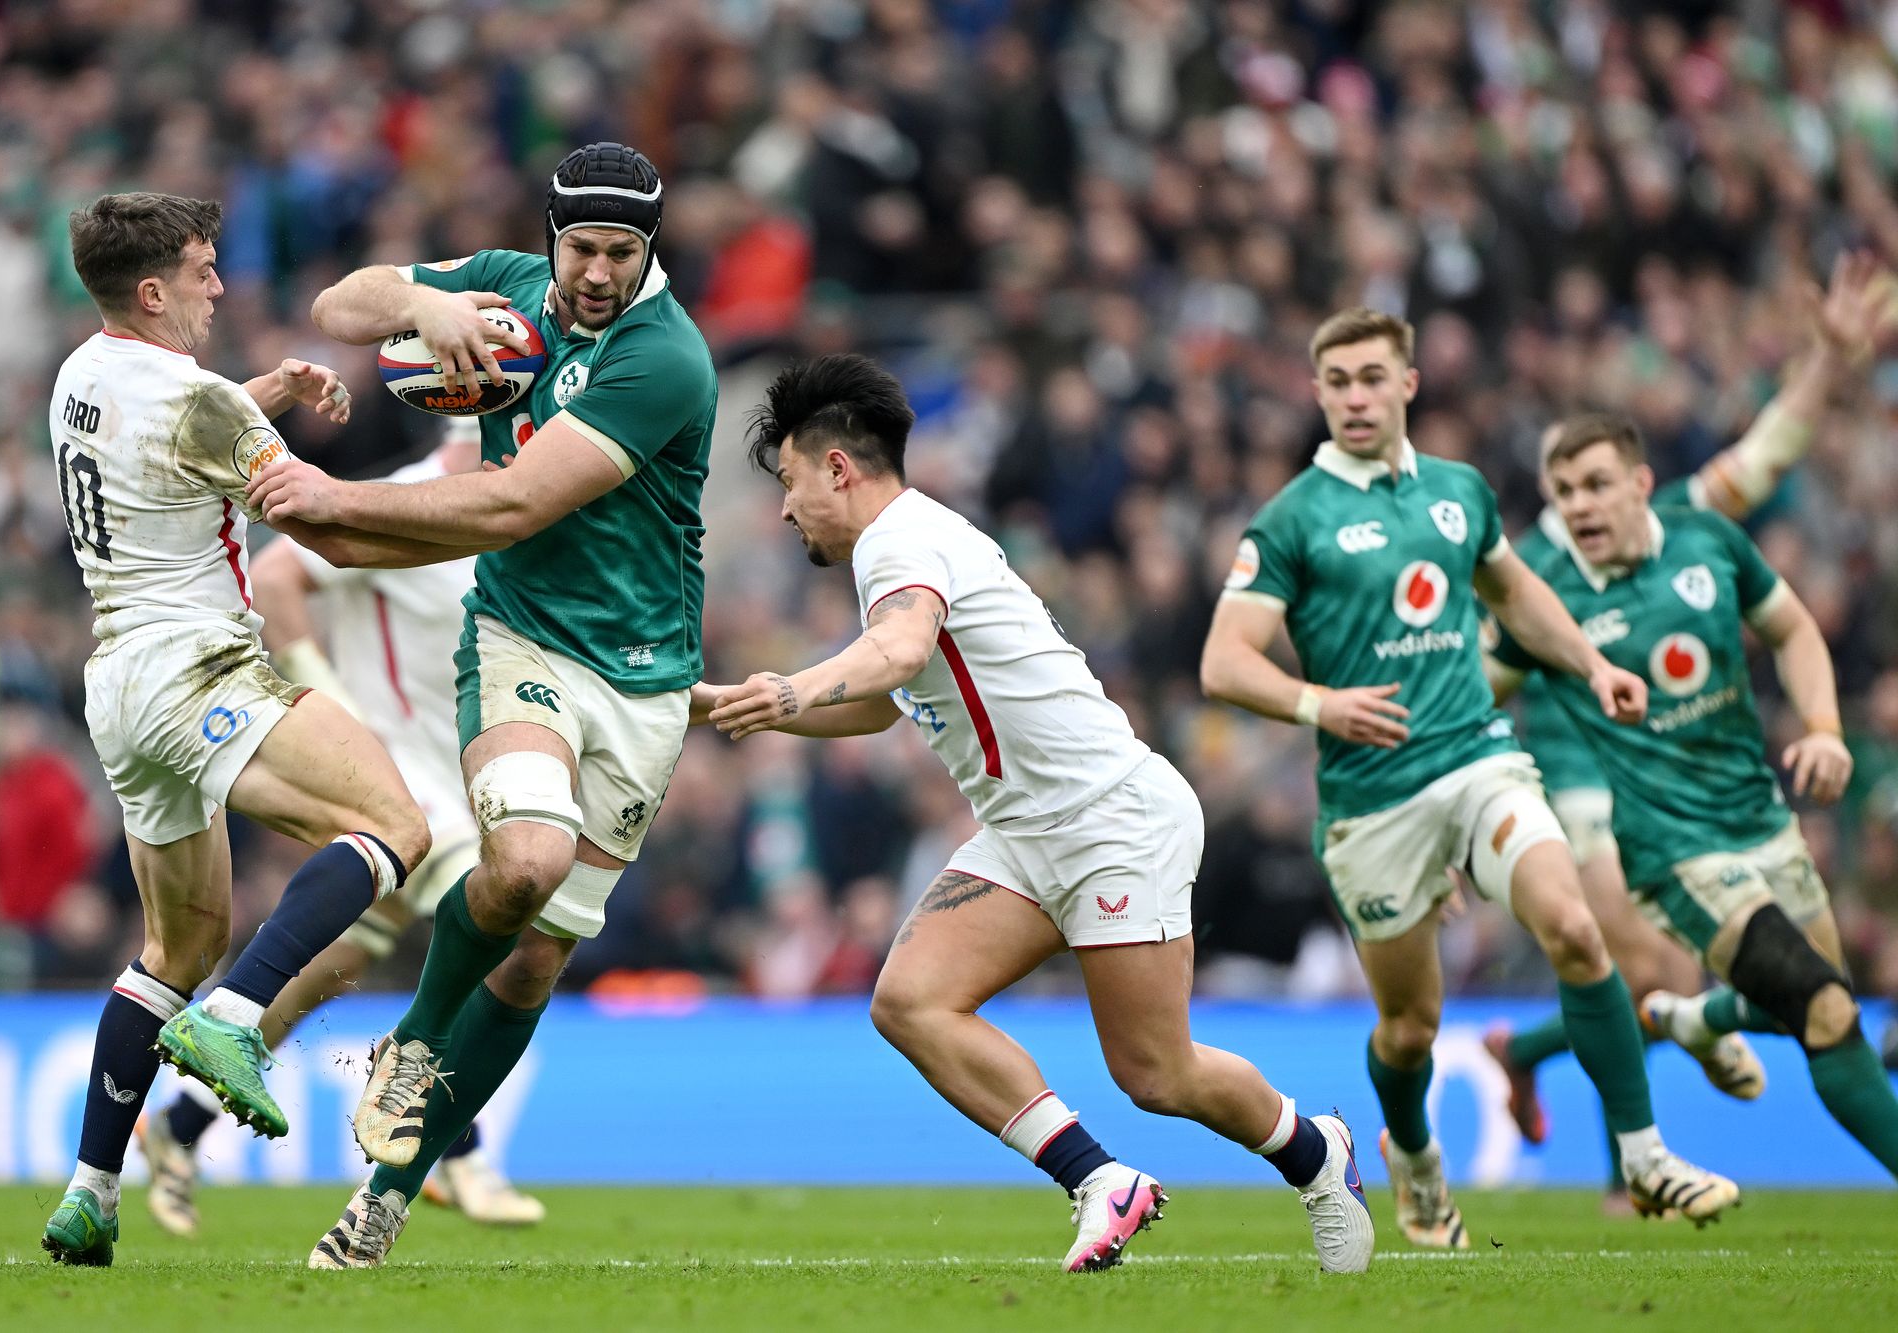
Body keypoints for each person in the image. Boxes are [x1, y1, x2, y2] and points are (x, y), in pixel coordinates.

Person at [705, 353, 1376, 1275]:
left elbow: (894, 656)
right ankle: (1099, 1181)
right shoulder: (900, 548)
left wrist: (790, 688)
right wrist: (736, 700)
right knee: (909, 1001)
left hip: (1110, 819)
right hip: (1027, 833)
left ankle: (1316, 1150)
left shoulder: (900, 541)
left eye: (788, 482)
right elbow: (880, 696)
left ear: (837, 468)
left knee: (1156, 1073)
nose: (784, 510)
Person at [247, 142, 717, 1269]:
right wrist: (423, 301)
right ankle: (412, 1045)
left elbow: (510, 502)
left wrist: (331, 500)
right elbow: (337, 303)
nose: (600, 272)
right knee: (521, 866)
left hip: (646, 678)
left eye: (624, 251)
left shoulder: (667, 360)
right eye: (584, 246)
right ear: (550, 236)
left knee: (537, 961)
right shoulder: (507, 284)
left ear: (649, 252)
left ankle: (386, 1199)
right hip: (521, 639)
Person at [1198, 307, 1738, 1249]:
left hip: (1477, 755)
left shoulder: (1459, 492)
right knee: (1409, 1026)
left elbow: (1517, 592)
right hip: (1374, 800)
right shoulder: (1292, 518)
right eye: (1339, 382)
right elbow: (1223, 661)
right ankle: (1411, 1154)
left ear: (1409, 383)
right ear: (1319, 392)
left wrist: (1589, 663)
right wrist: (1319, 704)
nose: (1357, 397)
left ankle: (1644, 1151)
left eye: (1373, 377)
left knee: (1574, 927)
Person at [41, 193, 432, 1265]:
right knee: (395, 822)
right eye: (204, 270)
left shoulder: (81, 373)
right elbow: (317, 522)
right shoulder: (202, 401)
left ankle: (89, 1193)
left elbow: (172, 428)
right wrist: (472, 524)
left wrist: (261, 395)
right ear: (156, 289)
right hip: (197, 666)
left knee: (177, 943)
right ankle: (238, 1016)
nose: (220, 284)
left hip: (117, 685)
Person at [1483, 253, 1893, 1202]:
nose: (1577, 505)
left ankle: (1679, 1024)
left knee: (1810, 1010)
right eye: (1561, 489)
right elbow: (1460, 686)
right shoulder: (1532, 585)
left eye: (1594, 484)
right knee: (1669, 967)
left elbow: (1772, 469)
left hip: (1757, 816)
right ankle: (1632, 1163)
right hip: (1619, 808)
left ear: (1637, 481)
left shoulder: (1699, 534)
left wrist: (1824, 726)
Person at [136, 420, 544, 1236]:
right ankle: (459, 1148)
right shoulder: (410, 499)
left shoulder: (498, 516)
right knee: (499, 920)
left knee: (335, 963)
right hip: (404, 783)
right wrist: (336, 710)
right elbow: (279, 571)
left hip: (458, 777)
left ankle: (177, 1124)